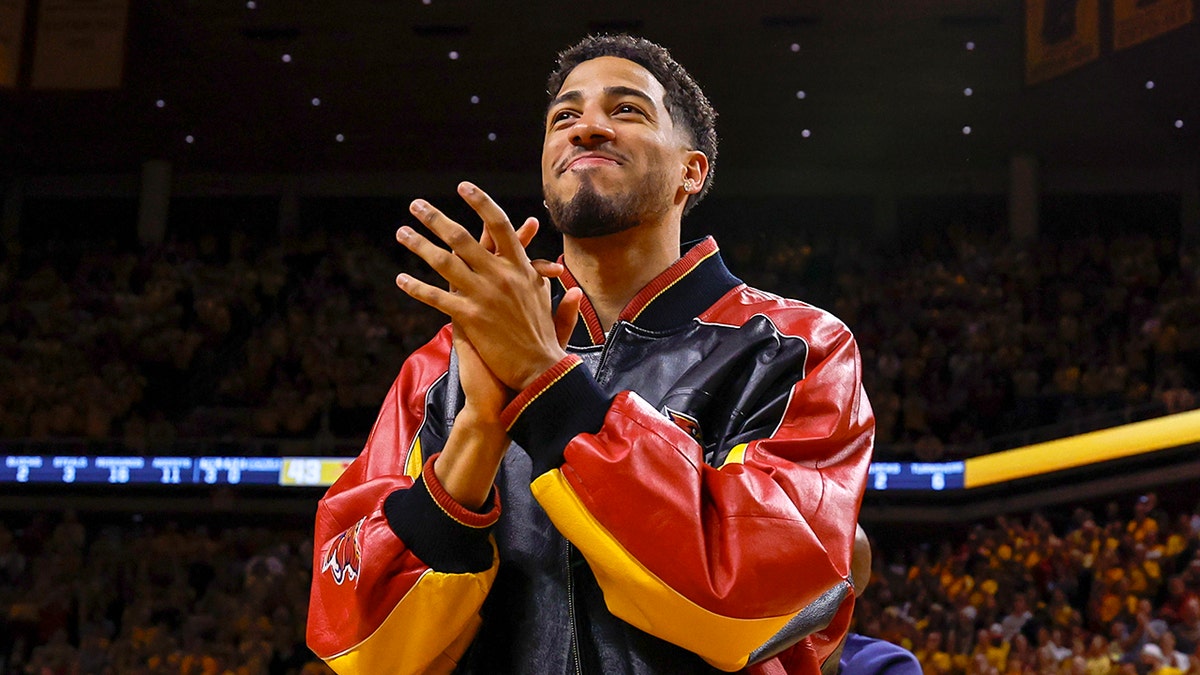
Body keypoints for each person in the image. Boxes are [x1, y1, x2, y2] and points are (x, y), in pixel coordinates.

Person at [306, 34, 874, 674]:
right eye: (565, 117)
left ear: (693, 170)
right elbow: (359, 645)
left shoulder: (799, 346)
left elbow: (753, 601)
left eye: (626, 110)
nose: (586, 130)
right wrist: (473, 439)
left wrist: (547, 388)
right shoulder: (441, 368)